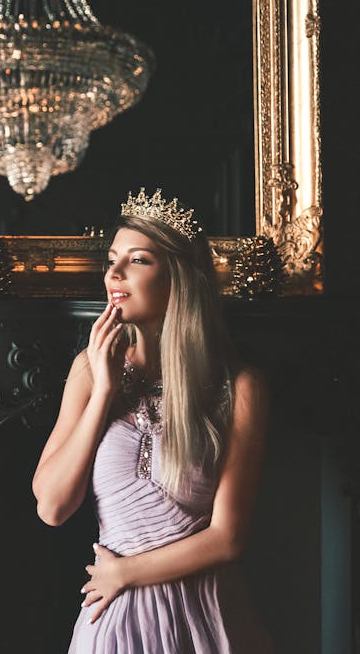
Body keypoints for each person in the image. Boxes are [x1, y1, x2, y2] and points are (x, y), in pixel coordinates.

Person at [32, 188, 273, 653]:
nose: (114, 274)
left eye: (138, 260)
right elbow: (52, 507)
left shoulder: (239, 388)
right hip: (113, 621)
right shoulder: (88, 369)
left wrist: (124, 573)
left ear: (179, 279)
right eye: (112, 259)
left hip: (202, 616)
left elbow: (228, 537)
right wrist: (103, 391)